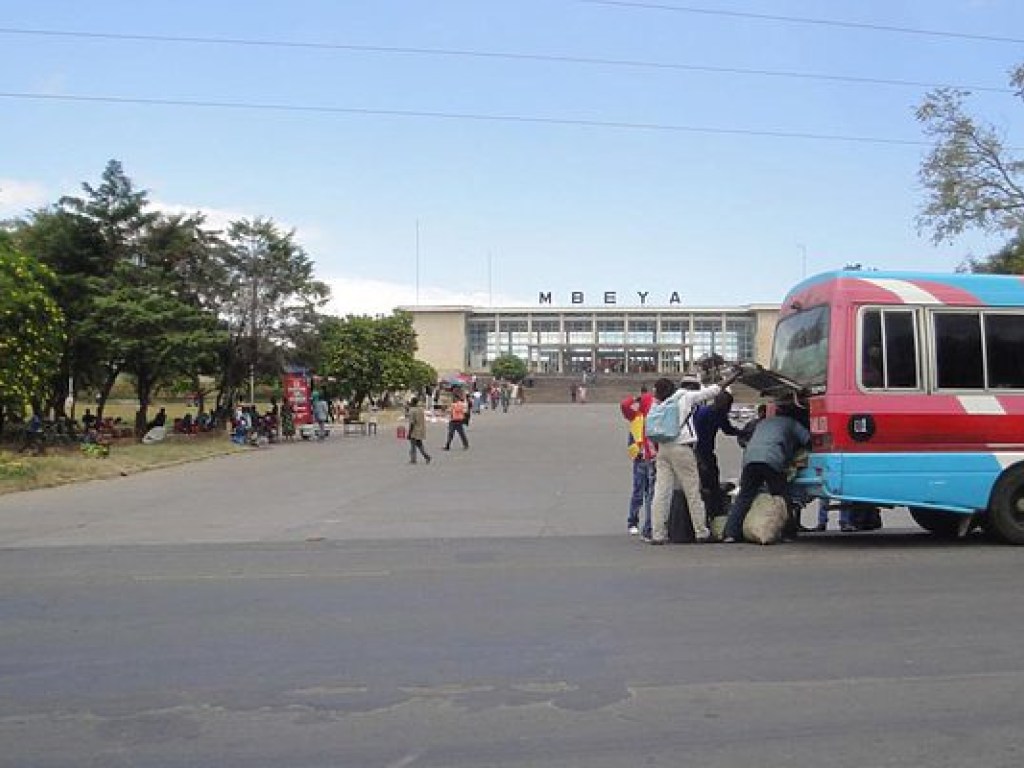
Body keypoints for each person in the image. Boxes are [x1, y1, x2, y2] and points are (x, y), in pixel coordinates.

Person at [648, 369, 742, 545]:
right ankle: (701, 532)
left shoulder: (657, 405)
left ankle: (658, 534)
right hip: (682, 448)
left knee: (661, 492)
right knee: (692, 491)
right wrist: (732, 378)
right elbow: (714, 390)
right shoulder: (684, 397)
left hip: (663, 449)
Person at [722, 401, 812, 543]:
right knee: (781, 496)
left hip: (750, 459)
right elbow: (808, 440)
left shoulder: (763, 423)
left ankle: (731, 533)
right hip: (771, 459)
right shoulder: (792, 423)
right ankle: (788, 533)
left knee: (745, 496)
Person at [693, 389, 741, 519]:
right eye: (728, 407)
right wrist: (699, 460)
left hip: (706, 452)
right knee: (705, 484)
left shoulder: (717, 414)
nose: (729, 410)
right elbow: (693, 438)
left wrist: (741, 432)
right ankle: (709, 513)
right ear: (723, 405)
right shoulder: (704, 413)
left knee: (712, 481)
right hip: (698, 452)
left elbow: (727, 429)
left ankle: (714, 513)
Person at [621, 386, 656, 538]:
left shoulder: (655, 415)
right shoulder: (637, 416)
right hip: (640, 457)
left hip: (652, 457)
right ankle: (633, 521)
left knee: (650, 493)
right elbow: (624, 405)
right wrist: (636, 399)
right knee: (639, 492)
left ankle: (649, 524)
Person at [406, 396, 432, 465]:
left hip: (415, 430)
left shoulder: (412, 411)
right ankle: (426, 456)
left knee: (413, 446)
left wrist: (409, 433)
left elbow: (412, 423)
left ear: (412, 402)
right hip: (421, 429)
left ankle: (413, 459)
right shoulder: (420, 409)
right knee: (419, 444)